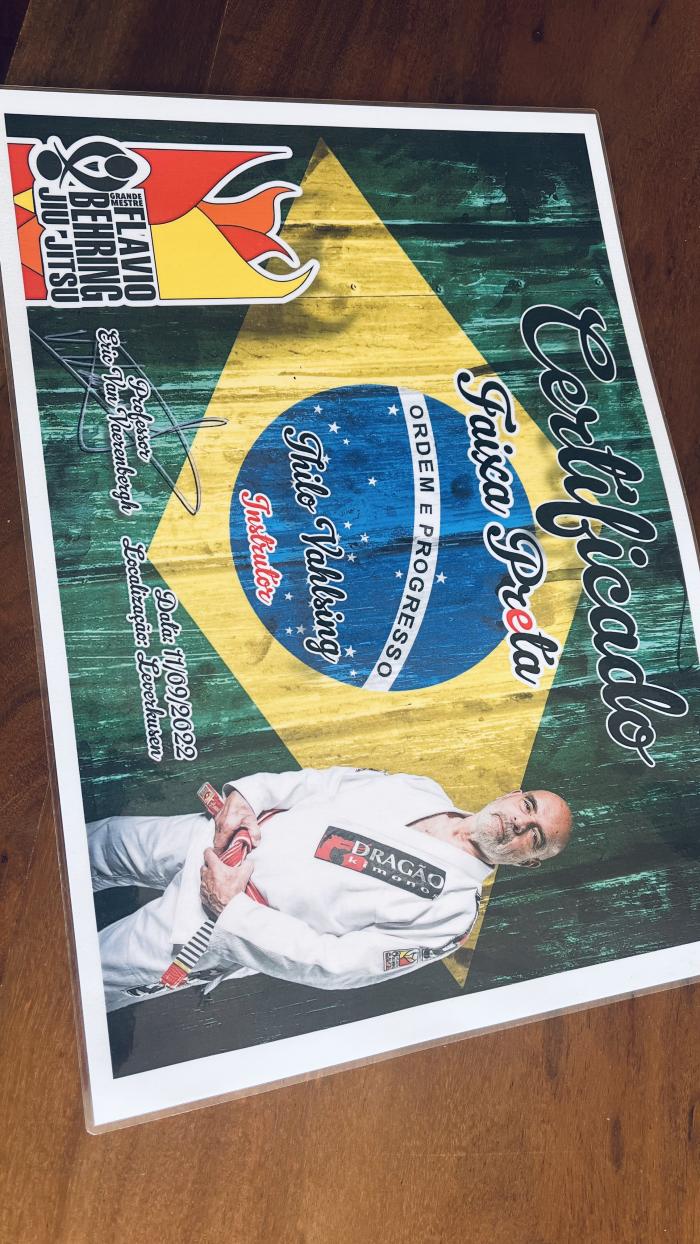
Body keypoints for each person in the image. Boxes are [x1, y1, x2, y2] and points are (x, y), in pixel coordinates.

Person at [88, 766, 572, 1011]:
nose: (519, 822)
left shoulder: (452, 916)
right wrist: (250, 797)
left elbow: (338, 965)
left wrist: (231, 909)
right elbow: (322, 782)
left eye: (535, 837)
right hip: (225, 834)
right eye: (528, 806)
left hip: (215, 923)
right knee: (93, 843)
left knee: (84, 980)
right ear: (513, 795)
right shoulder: (422, 789)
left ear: (529, 861)